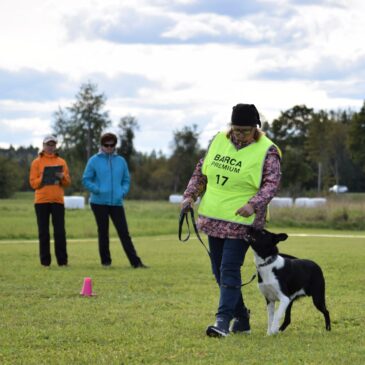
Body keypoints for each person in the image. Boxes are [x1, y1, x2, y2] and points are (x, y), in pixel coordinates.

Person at [181, 104, 282, 337]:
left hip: (243, 222)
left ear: (256, 128)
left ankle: (223, 321)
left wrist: (253, 204)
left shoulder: (268, 150)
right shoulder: (219, 141)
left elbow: (271, 184)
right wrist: (190, 195)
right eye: (236, 129)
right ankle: (243, 319)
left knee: (229, 268)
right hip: (214, 217)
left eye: (245, 130)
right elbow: (201, 172)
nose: (239, 134)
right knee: (218, 271)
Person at [82, 132, 147, 268]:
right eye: (106, 145)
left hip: (117, 202)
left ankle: (136, 263)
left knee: (124, 232)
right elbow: (86, 179)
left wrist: (122, 192)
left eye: (112, 145)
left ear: (115, 145)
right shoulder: (94, 160)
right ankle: (106, 262)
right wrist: (97, 189)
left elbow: (126, 180)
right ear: (101, 145)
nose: (109, 148)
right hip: (98, 202)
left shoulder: (121, 161)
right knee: (103, 232)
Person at [29, 135, 71, 267]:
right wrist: (42, 177)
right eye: (48, 144)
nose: (50, 147)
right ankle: (45, 262)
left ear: (55, 146)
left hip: (58, 201)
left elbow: (67, 183)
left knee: (60, 232)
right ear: (43, 145)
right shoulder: (36, 162)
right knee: (43, 232)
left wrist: (63, 176)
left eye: (53, 144)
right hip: (41, 201)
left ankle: (62, 261)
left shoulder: (62, 162)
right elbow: (33, 183)